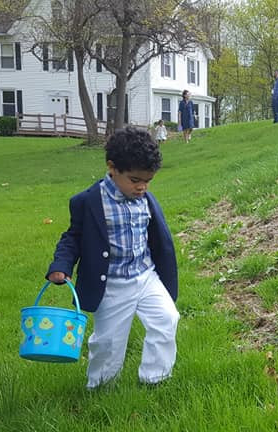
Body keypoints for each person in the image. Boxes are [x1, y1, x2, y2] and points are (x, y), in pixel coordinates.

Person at [47, 127, 179, 390]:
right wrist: (61, 265)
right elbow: (72, 237)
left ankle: (155, 378)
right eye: (134, 179)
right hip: (112, 285)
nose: (142, 186)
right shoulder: (88, 202)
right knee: (108, 341)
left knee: (167, 318)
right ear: (112, 167)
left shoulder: (145, 200)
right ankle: (101, 386)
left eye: (147, 181)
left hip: (145, 276)